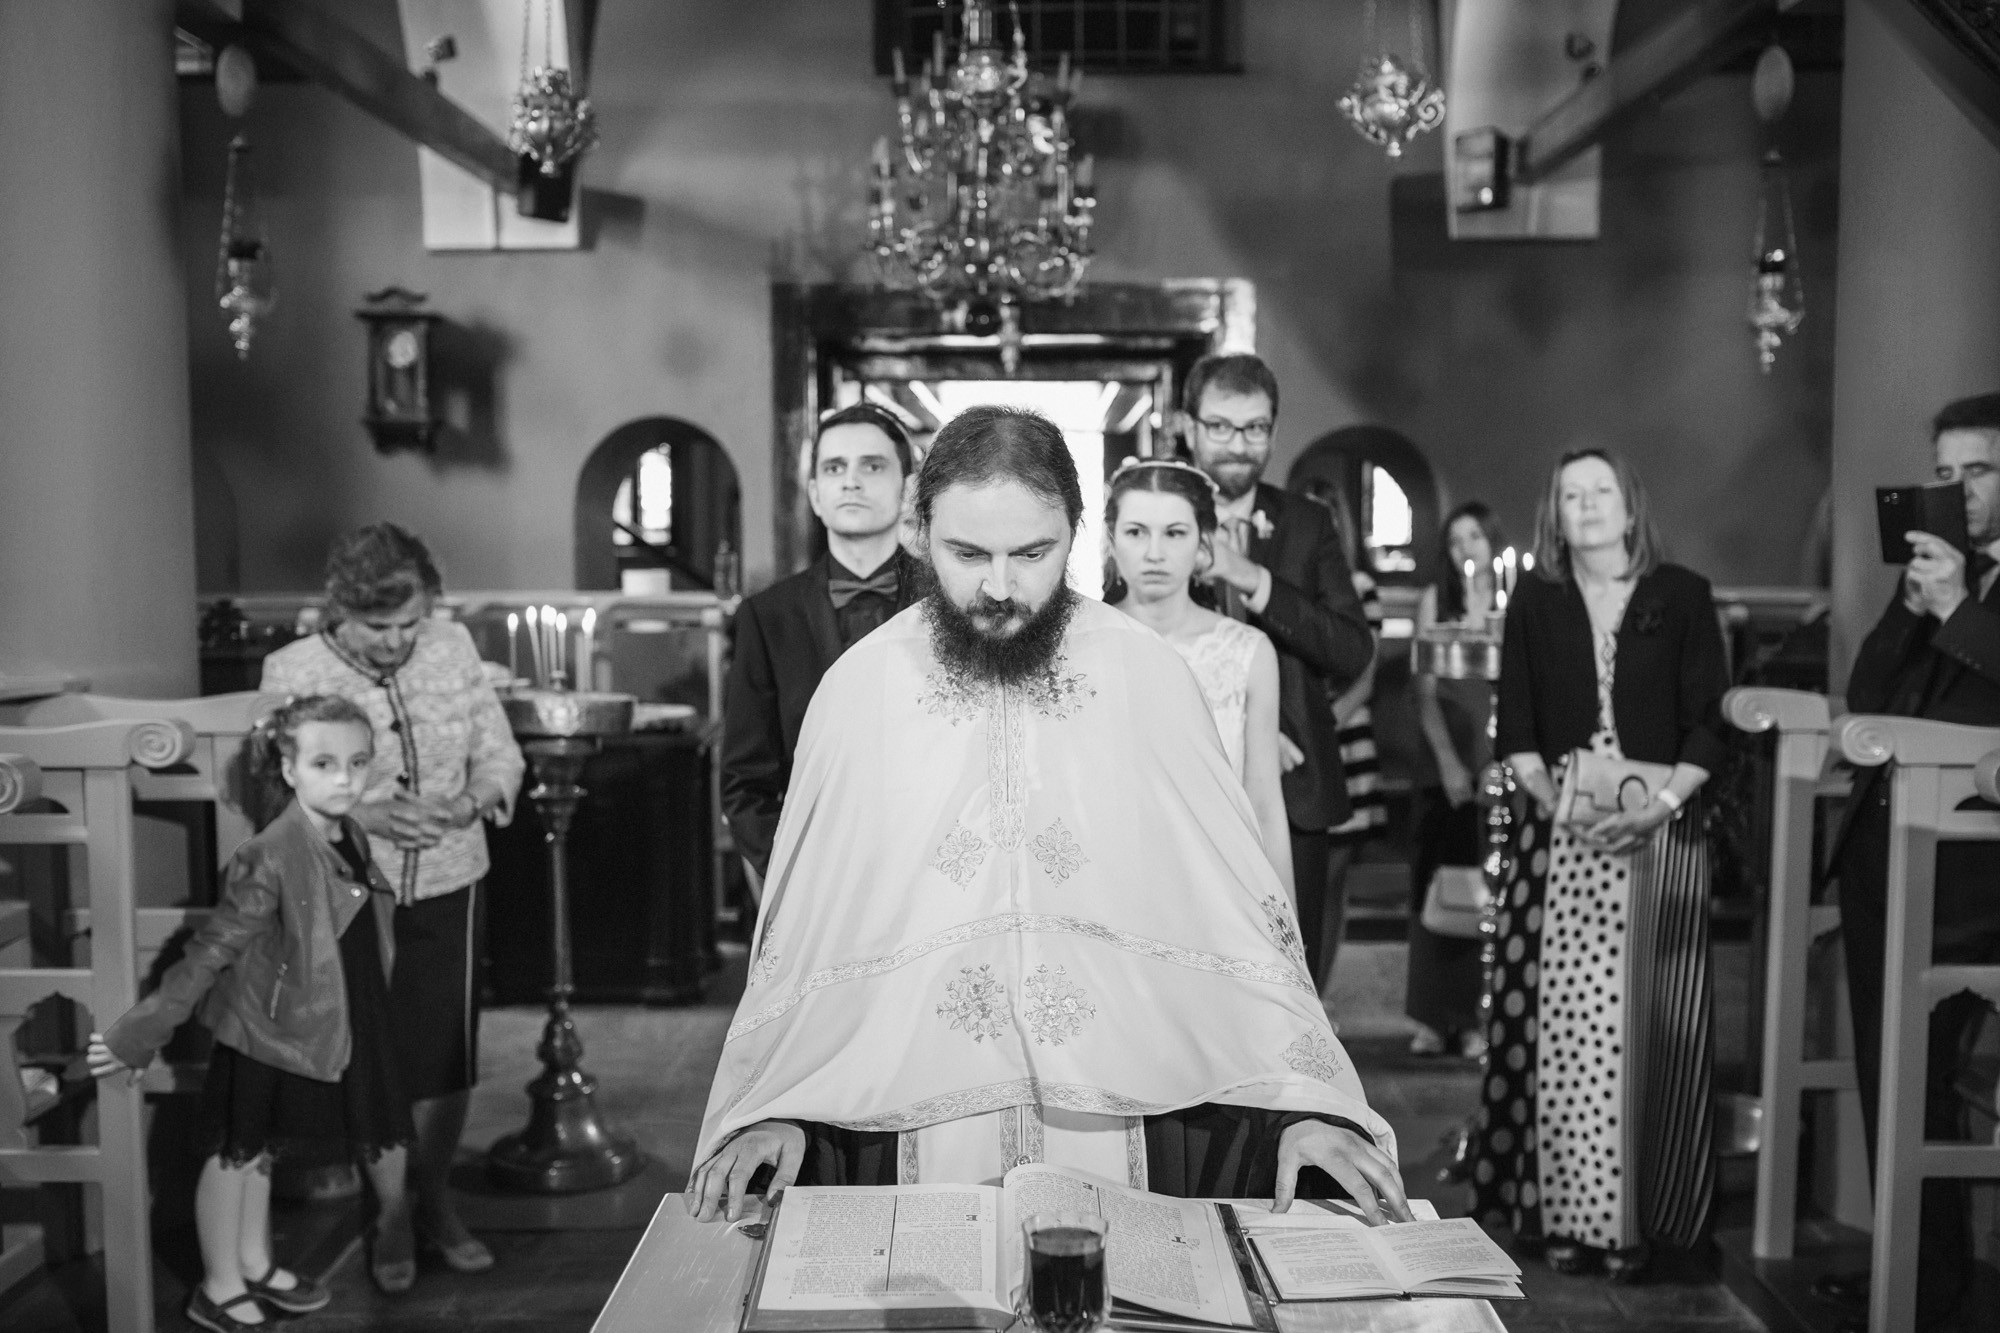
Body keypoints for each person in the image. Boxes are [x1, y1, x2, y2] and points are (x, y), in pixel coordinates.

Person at [686, 406, 1409, 1222]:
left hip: (1129, 1104)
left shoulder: (1148, 676)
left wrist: (1300, 1105)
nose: (1000, 588)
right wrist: (779, 1104)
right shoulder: (860, 689)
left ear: (1076, 531)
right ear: (920, 533)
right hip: (908, 1107)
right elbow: (813, 934)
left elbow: (1231, 914)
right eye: (968, 553)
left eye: (1033, 553)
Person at [1474, 450, 1728, 1281]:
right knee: (1561, 1039)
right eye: (1570, 494)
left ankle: (1648, 1221)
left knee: (1656, 1035)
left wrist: (1660, 805)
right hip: (1561, 841)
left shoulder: (1682, 593)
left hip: (1664, 838)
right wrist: (1562, 807)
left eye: (1600, 491)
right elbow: (1516, 720)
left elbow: (1709, 719)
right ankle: (1567, 1217)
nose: (1585, 505)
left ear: (1630, 505)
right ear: (1555, 512)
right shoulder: (1536, 597)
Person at [88, 697, 415, 1329]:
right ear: (289, 769)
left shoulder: (348, 833)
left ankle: (253, 1262)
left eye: (358, 762)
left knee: (263, 1150)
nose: (345, 779)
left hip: (325, 1017)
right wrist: (144, 1028)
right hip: (266, 1029)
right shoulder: (271, 853)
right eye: (324, 764)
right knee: (235, 1152)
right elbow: (216, 946)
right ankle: (218, 1284)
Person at [259, 524, 523, 1279]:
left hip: (451, 877)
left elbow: (499, 754)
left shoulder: (453, 647)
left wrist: (469, 801)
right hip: (348, 888)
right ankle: (392, 1214)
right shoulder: (291, 670)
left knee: (446, 1054)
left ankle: (434, 1198)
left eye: (410, 622)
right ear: (340, 608)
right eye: (378, 627)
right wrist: (363, 815)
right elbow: (272, 790)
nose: (397, 641)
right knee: (374, 1057)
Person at [1815, 392, 2000, 1331]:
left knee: (1932, 1079)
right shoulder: (1931, 571)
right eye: (1945, 472)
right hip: (1880, 850)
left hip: (1972, 874)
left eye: (1979, 470)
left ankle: (1940, 1283)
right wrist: (1918, 604)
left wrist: (1961, 606)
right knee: (1888, 1074)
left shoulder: (1974, 586)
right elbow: (1867, 692)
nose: (1957, 491)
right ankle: (1910, 1267)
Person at [1184, 355, 1375, 989]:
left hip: (1295, 797)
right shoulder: (1158, 517)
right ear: (1188, 427)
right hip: (1186, 790)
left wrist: (1254, 579)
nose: (1238, 445)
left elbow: (1352, 649)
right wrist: (1251, 732)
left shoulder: (1308, 523)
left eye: (1255, 428)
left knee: (1293, 979)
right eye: (1220, 426)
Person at [721, 403, 921, 885]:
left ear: (908, 489)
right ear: (814, 494)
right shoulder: (767, 616)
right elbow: (745, 782)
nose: (851, 482)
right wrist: (793, 875)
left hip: (931, 868)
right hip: (812, 872)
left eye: (872, 466)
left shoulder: (950, 606)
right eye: (834, 468)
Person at [1102, 457, 1292, 891]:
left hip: (1219, 881)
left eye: (1174, 533)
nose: (1154, 553)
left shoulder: (1247, 652)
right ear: (1111, 540)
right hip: (1115, 879)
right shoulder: (1080, 643)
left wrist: (1286, 920)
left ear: (1204, 542)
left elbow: (1264, 803)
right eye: (1136, 532)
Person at [1406, 503, 1504, 1058]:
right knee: (1436, 881)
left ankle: (1474, 1018)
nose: (1466, 548)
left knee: (1487, 884)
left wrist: (1499, 761)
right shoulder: (1436, 600)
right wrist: (1447, 761)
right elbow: (1424, 691)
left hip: (1496, 758)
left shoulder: (1511, 603)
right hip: (1444, 755)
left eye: (1475, 536)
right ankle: (1430, 1016)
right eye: (1454, 540)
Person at [1303, 479, 1386, 988]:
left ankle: (1322, 992)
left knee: (1334, 878)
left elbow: (1366, 673)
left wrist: (1321, 724)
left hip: (1344, 735)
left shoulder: (1358, 585)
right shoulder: (1282, 581)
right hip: (1294, 739)